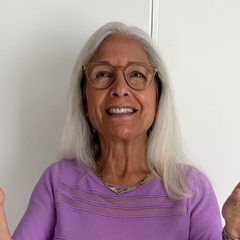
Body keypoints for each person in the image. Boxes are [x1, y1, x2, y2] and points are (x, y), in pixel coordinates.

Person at [0, 22, 239, 240]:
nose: (120, 88)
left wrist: (233, 233)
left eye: (136, 74)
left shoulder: (191, 189)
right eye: (103, 74)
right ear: (85, 102)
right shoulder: (57, 182)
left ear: (157, 99)